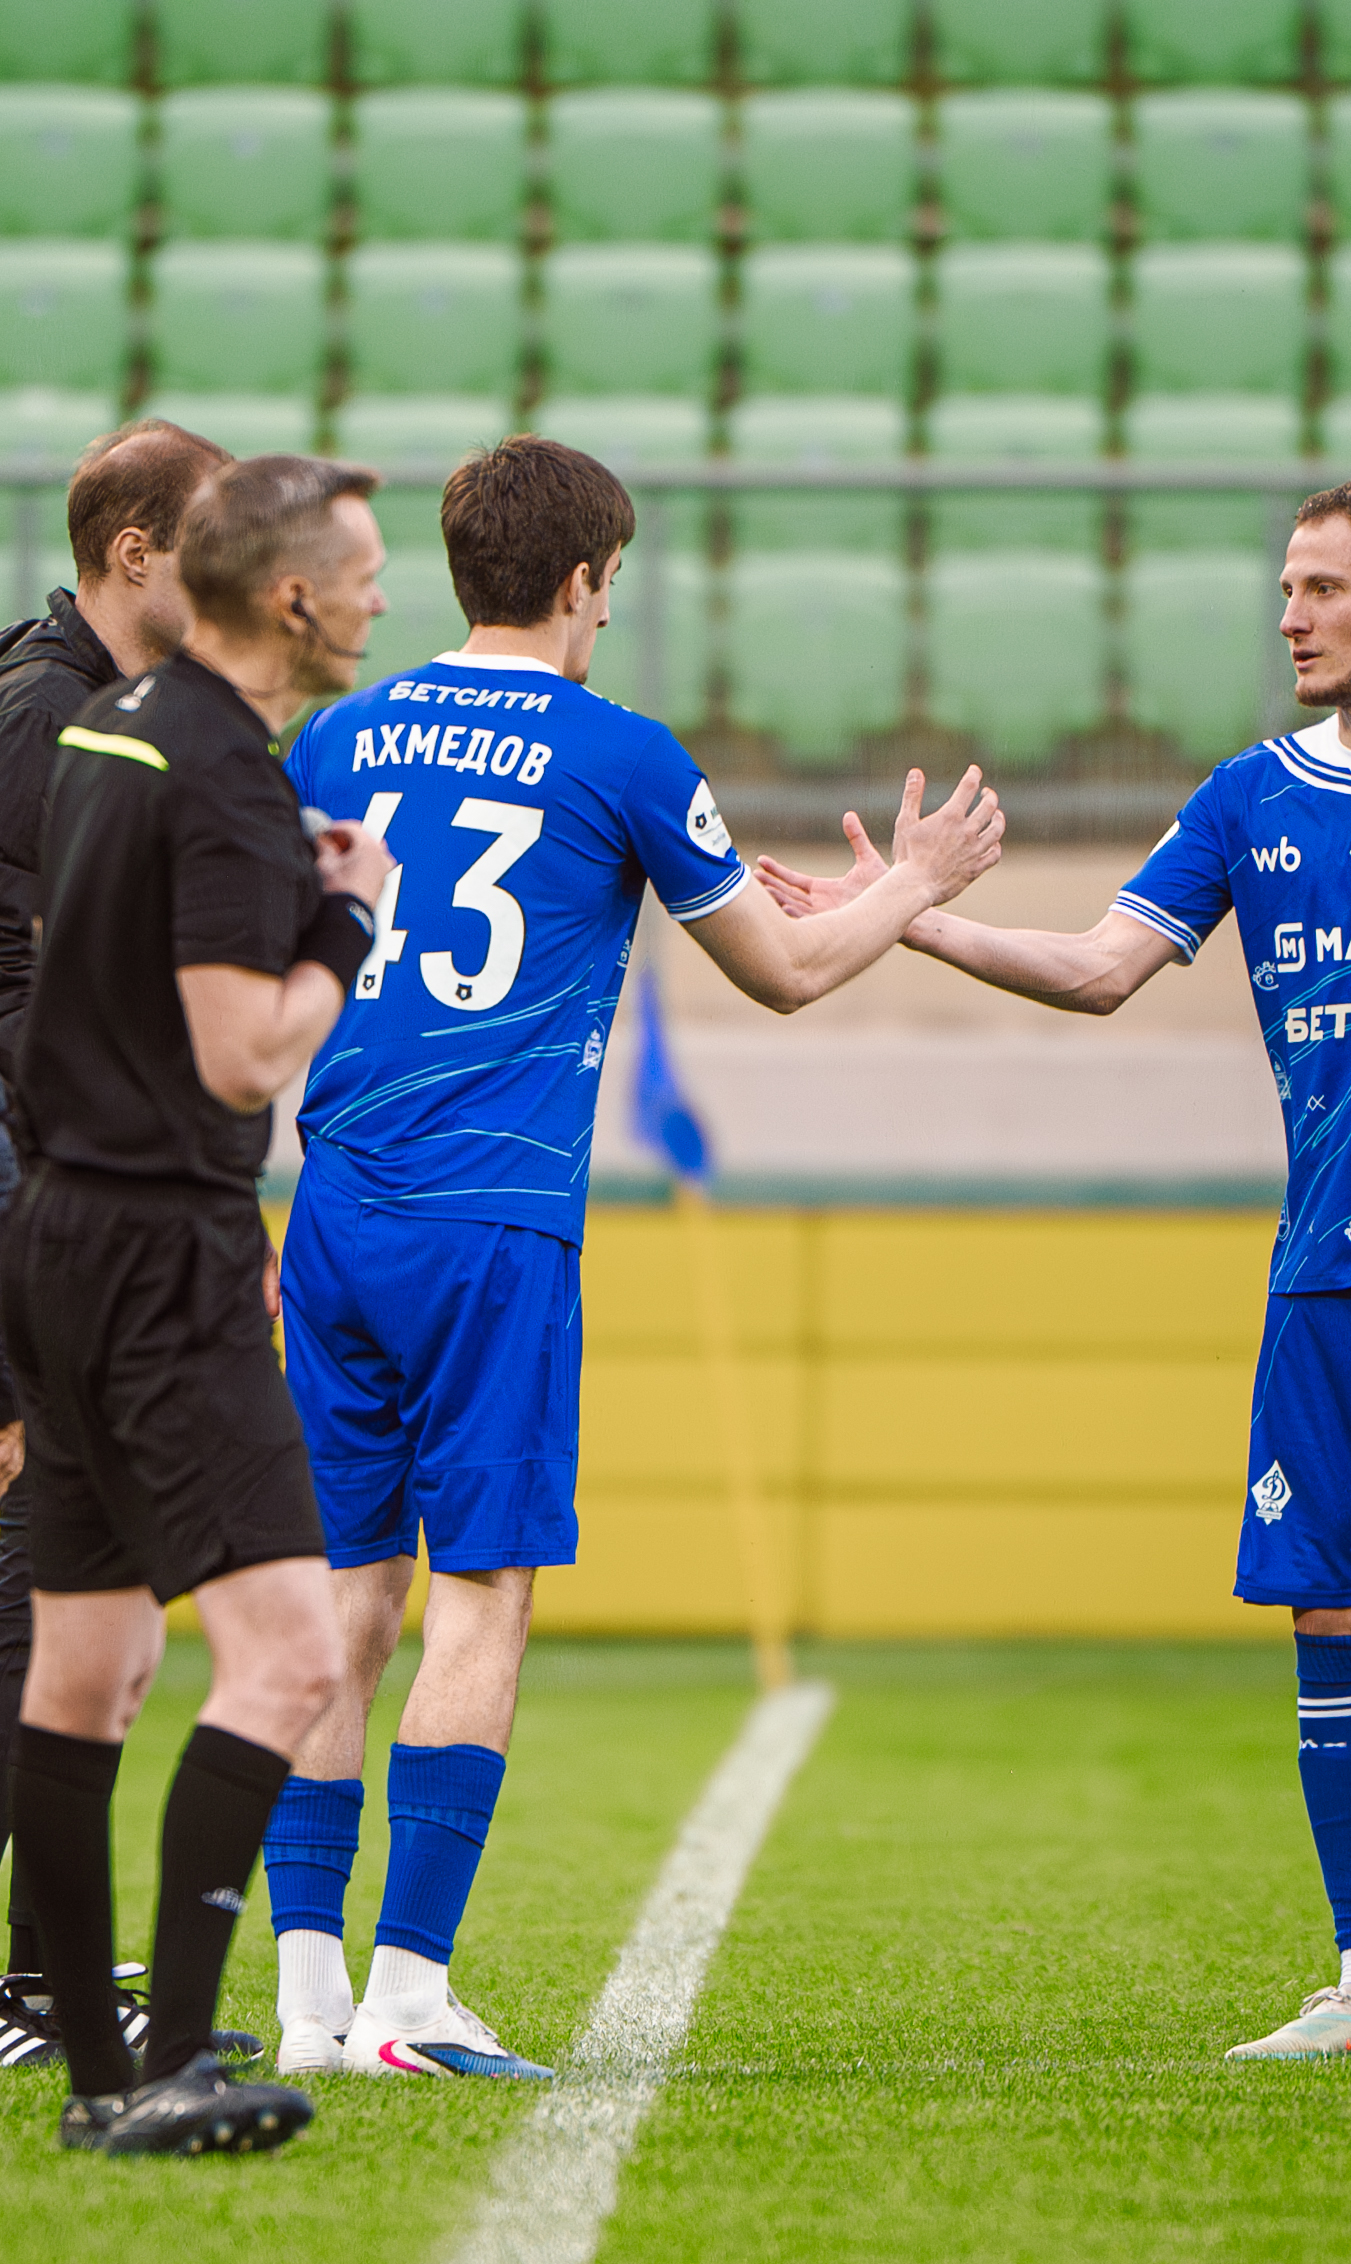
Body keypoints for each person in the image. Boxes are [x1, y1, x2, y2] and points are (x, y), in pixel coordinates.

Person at [759, 479, 1351, 2061]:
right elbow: (1099, 968)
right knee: (1330, 1605)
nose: (1290, 615)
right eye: (1286, 588)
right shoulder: (1253, 795)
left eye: (1323, 588)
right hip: (1320, 1260)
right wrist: (909, 919)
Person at [265, 433, 1004, 2080]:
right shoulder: (620, 752)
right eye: (609, 586)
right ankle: (408, 1998)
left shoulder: (335, 735)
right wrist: (920, 887)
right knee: (483, 1591)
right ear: (585, 580)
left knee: (339, 1597)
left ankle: (308, 1998)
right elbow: (787, 972)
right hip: (494, 1220)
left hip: (333, 1205)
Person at [1, 453, 395, 2153]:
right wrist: (346, 921)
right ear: (292, 599)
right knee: (294, 1656)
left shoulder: (110, 723)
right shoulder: (228, 767)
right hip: (165, 1252)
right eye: (362, 572)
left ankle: (102, 2075)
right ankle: (165, 2058)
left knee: (88, 1667)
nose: (380, 597)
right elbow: (242, 1051)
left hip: (58, 1236)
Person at [0, 417, 235, 2070]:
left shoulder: (102, 707)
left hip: (65, 1188)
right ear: (133, 551)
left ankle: (47, 1980)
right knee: (38, 1595)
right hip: (35, 1194)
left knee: (73, 1595)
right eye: (205, 540)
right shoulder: (46, 714)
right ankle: (28, 1993)